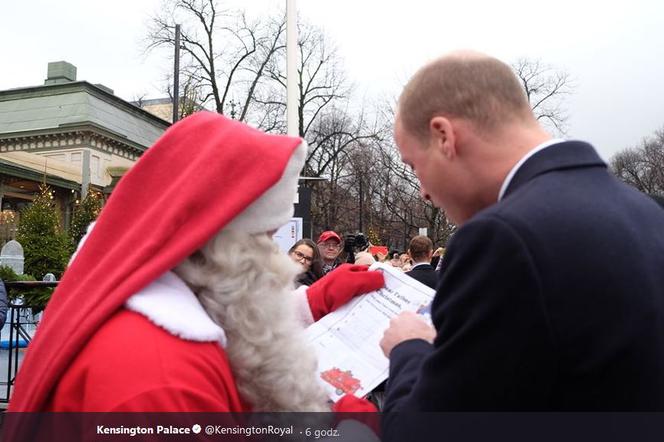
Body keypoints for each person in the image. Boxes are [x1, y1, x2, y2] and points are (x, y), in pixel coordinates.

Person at [6, 113, 383, 423]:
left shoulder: (170, 323)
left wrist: (311, 304)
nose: (277, 263)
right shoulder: (162, 382)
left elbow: (235, 330)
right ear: (221, 244)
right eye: (265, 239)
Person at [380, 51, 664, 419]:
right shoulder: (645, 212)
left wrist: (410, 349)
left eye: (414, 166)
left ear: (444, 137)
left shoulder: (502, 239)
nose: (423, 191)